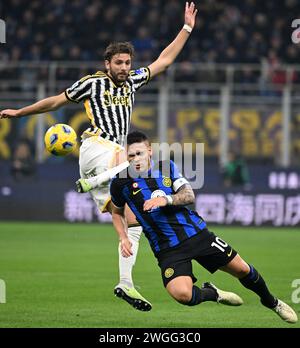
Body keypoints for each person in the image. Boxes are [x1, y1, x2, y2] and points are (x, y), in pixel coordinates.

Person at [0, 2, 198, 312]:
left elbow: (164, 61)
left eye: (127, 63)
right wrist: (19, 111)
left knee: (134, 217)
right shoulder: (93, 84)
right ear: (107, 63)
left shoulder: (132, 81)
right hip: (96, 148)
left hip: (115, 159)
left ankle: (126, 283)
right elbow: (55, 101)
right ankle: (96, 178)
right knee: (133, 161)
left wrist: (186, 28)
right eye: (118, 63)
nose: (124, 68)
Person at [110, 131, 298, 324]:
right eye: (131, 156)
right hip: (167, 248)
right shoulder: (119, 182)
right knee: (182, 294)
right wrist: (123, 237)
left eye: (139, 153)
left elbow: (189, 195)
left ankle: (272, 302)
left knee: (242, 269)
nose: (135, 160)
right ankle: (213, 293)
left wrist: (166, 199)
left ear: (149, 151)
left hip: (196, 234)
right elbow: (116, 212)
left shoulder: (166, 168)